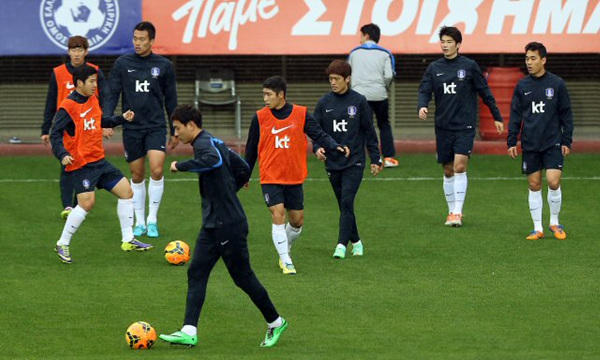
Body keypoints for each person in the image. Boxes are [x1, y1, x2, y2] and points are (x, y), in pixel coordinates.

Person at [159, 105, 288, 348]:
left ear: (191, 125)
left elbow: (213, 160)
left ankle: (275, 321)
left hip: (228, 224)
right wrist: (230, 189)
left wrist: (181, 166)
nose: (176, 134)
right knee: (196, 272)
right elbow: (243, 167)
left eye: (177, 129)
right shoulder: (214, 140)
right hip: (213, 224)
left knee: (243, 277)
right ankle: (189, 330)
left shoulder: (204, 145)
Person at [244, 76, 349, 274]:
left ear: (281, 95)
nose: (265, 99)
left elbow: (319, 134)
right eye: (263, 95)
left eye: (268, 95)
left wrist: (335, 146)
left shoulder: (301, 114)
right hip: (270, 176)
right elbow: (251, 149)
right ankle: (286, 260)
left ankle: (285, 246)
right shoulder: (259, 117)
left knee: (297, 222)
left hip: (294, 176)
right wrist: (245, 174)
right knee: (278, 215)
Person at [50, 65, 153, 264]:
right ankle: (62, 243)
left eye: (95, 81)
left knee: (126, 192)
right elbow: (55, 133)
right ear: (79, 83)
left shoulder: (92, 98)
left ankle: (127, 239)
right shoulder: (68, 106)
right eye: (91, 81)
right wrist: (62, 154)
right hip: (81, 164)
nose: (95, 85)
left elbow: (100, 121)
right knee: (87, 204)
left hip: (99, 161)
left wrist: (120, 119)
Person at [418, 26, 504, 227]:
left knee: (460, 166)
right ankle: (451, 211)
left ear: (458, 44)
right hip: (443, 126)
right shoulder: (434, 68)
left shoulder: (470, 66)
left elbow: (485, 92)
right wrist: (422, 105)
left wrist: (497, 116)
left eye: (449, 42)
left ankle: (457, 212)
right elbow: (424, 90)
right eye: (443, 41)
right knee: (448, 170)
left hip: (464, 126)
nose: (445, 45)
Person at [105, 21, 178, 239]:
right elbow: (112, 93)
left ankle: (152, 219)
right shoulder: (122, 63)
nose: (137, 43)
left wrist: (175, 127)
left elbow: (171, 99)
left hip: (155, 126)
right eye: (135, 39)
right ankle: (139, 222)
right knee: (137, 174)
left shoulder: (164, 66)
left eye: (142, 39)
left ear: (152, 41)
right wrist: (108, 121)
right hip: (132, 128)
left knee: (156, 169)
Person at [313, 60, 382, 259]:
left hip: (355, 162)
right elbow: (316, 131)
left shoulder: (359, 101)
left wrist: (376, 159)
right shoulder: (324, 103)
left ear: (348, 79)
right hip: (332, 162)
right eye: (330, 79)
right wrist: (317, 149)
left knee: (346, 200)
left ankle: (341, 246)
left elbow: (369, 132)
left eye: (336, 79)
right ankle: (357, 242)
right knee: (345, 206)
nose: (332, 83)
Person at [41, 35, 112, 220]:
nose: (77, 53)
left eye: (80, 50)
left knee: (86, 163)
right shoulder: (58, 73)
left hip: (88, 126)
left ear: (86, 52)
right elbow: (51, 101)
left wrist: (105, 123)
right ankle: (68, 205)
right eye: (73, 50)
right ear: (68, 52)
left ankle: (78, 203)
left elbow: (106, 97)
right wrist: (45, 129)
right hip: (66, 127)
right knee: (67, 164)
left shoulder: (94, 72)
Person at [507, 42, 573, 241]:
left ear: (543, 60)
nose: (529, 62)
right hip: (530, 144)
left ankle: (554, 222)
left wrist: (566, 140)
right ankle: (537, 228)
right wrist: (511, 141)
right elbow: (515, 115)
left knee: (553, 181)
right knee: (534, 184)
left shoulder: (557, 84)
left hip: (552, 141)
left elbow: (566, 114)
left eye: (533, 58)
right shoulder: (522, 85)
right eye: (527, 58)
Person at [348, 23, 398, 168]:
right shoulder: (385, 53)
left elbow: (348, 74)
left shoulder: (354, 53)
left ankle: (359, 157)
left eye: (361, 36)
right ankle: (389, 158)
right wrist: (384, 87)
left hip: (359, 96)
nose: (360, 39)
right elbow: (389, 75)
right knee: (384, 124)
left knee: (362, 127)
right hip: (380, 95)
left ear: (366, 36)